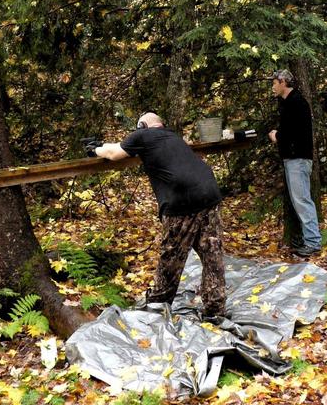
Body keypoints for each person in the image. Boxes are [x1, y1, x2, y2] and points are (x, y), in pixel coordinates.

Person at [90, 112, 227, 319]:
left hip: (182, 201)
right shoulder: (172, 137)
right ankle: (215, 310)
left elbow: (114, 153)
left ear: (142, 126)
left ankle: (157, 307)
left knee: (171, 258)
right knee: (212, 255)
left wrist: (95, 149)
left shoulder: (142, 136)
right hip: (210, 194)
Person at [267, 69, 322, 258]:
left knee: (302, 200)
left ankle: (313, 242)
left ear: (283, 82)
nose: (273, 87)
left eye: (274, 83)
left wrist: (277, 136)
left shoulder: (296, 103)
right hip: (294, 158)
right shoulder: (290, 103)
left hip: (297, 159)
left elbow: (293, 133)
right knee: (299, 200)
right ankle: (307, 239)